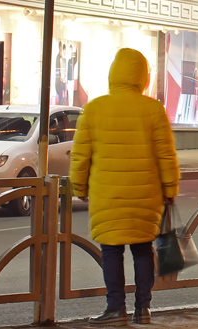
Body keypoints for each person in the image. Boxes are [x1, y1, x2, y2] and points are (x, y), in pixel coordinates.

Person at [71, 48, 180, 327]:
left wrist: (79, 187)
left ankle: (115, 308)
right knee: (143, 249)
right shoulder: (153, 109)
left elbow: (81, 155)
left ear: (113, 73)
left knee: (111, 251)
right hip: (145, 195)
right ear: (143, 77)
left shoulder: (94, 109)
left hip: (107, 195)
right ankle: (143, 309)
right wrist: (170, 188)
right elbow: (166, 155)